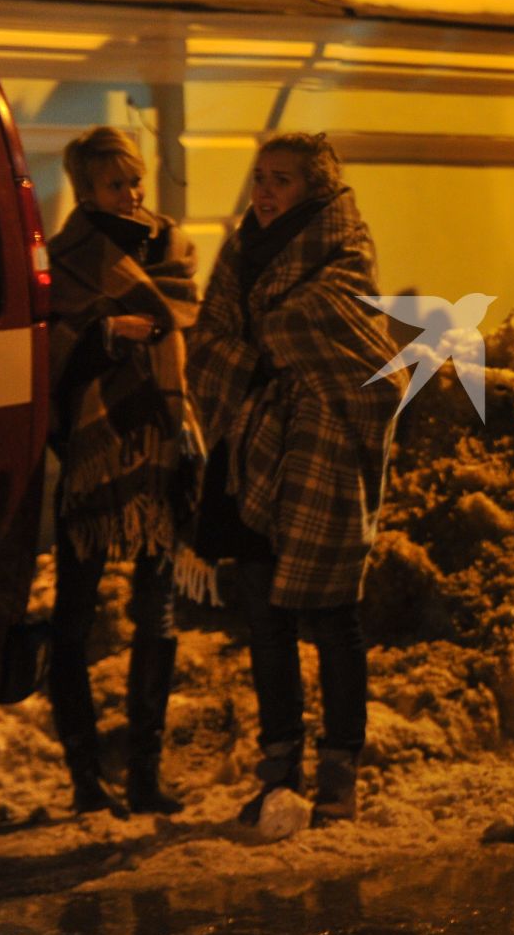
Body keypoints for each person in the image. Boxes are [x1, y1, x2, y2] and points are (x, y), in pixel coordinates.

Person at [187, 131, 405, 827]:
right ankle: (279, 770)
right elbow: (212, 330)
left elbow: (340, 325)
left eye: (280, 179)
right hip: (252, 443)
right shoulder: (241, 248)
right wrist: (256, 362)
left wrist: (269, 340)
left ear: (312, 188)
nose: (265, 191)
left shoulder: (344, 247)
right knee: (265, 616)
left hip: (322, 443)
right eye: (260, 177)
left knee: (334, 615)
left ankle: (340, 774)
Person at [46, 126, 202, 817]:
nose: (133, 194)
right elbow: (49, 352)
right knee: (74, 618)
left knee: (157, 614)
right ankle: (86, 776)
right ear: (87, 190)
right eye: (116, 184)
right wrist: (105, 337)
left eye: (135, 180)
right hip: (95, 452)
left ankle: (145, 772)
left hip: (162, 446)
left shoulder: (172, 250)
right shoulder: (68, 258)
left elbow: (191, 327)